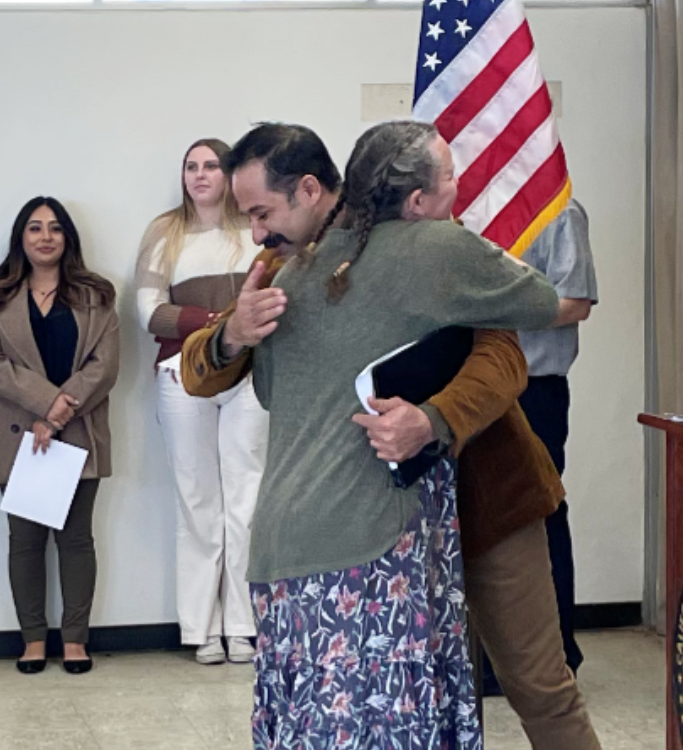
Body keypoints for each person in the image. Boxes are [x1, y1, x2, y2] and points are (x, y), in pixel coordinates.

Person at [181, 123, 603, 750]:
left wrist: (432, 420)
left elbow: (504, 358)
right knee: (447, 691)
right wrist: (231, 334)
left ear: (309, 190)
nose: (257, 231)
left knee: (540, 687)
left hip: (487, 500)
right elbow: (201, 370)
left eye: (262, 213)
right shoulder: (281, 270)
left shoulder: (432, 250)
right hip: (392, 531)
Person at [0, 197, 119, 675]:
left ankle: (75, 640)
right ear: (21, 237)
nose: (45, 236)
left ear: (67, 237)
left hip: (78, 429)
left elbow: (105, 365)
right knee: (25, 541)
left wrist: (56, 414)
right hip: (18, 435)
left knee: (77, 540)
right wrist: (43, 405)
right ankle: (33, 639)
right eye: (34, 228)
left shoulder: (97, 295)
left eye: (55, 228)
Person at [135, 138, 267, 665]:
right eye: (191, 166)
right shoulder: (164, 232)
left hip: (252, 376)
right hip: (183, 374)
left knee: (246, 499)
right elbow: (149, 311)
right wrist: (217, 326)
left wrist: (237, 331)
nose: (200, 174)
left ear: (230, 172)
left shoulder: (256, 229)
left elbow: (278, 297)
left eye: (211, 164)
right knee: (197, 503)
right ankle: (200, 628)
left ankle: (243, 627)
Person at [513, 199, 598, 676]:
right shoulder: (464, 212)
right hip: (467, 389)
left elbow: (575, 303)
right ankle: (492, 658)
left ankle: (557, 655)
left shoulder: (557, 211)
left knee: (540, 515)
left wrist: (498, 304)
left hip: (533, 388)